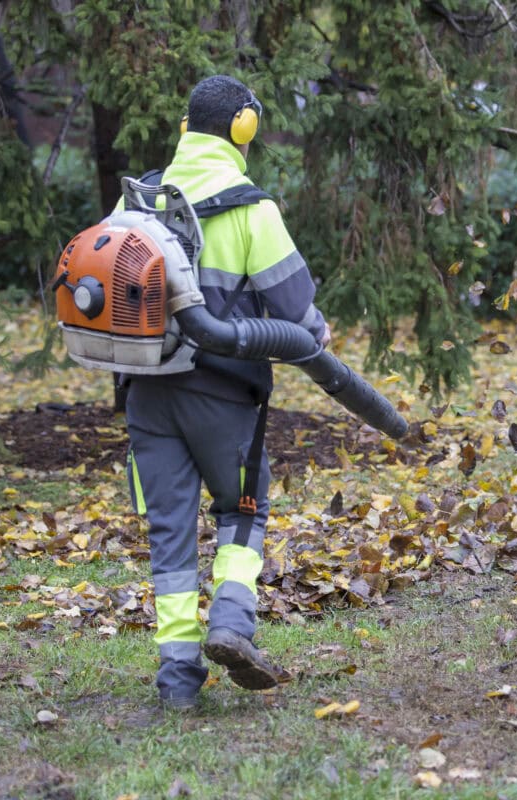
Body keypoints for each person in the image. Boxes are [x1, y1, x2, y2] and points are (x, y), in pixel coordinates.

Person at [121, 75, 330, 709]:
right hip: (223, 398)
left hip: (146, 397)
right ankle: (233, 626)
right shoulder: (250, 209)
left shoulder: (137, 202)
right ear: (245, 127)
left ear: (186, 129)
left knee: (169, 533)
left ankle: (178, 680)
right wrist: (320, 337)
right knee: (242, 511)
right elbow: (296, 307)